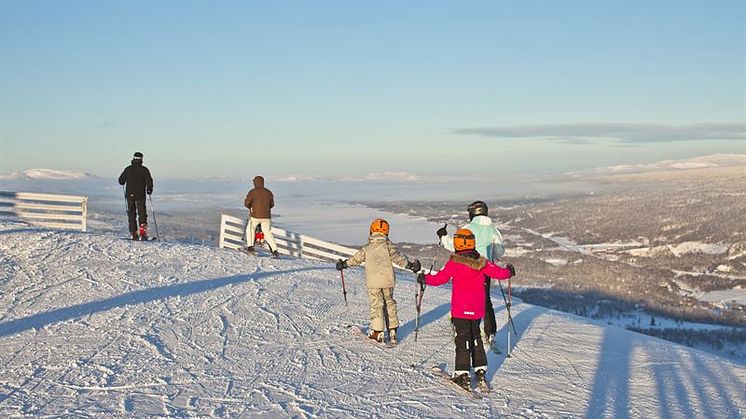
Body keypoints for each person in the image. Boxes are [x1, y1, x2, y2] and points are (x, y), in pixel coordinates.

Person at [417, 228, 514, 390]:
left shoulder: (454, 263)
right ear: (472, 242)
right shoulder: (482, 262)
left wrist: (424, 278)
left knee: (462, 338)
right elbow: (500, 273)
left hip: (460, 309)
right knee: (476, 335)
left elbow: (439, 279)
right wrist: (509, 271)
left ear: (457, 243)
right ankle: (480, 368)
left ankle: (462, 373)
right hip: (477, 309)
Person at [335, 219, 421, 344]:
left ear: (371, 231)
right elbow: (399, 260)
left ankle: (377, 332)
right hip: (388, 281)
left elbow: (355, 260)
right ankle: (392, 330)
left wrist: (344, 264)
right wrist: (411, 266)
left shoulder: (367, 248)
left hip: (373, 282)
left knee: (377, 305)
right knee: (389, 303)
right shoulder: (389, 247)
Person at [437, 200, 505, 347]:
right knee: (485, 300)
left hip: (464, 266)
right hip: (484, 268)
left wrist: (443, 237)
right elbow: (500, 252)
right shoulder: (493, 230)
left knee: (462, 296)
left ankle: (461, 325)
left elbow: (453, 245)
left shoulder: (468, 228)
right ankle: (490, 332)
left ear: (473, 213)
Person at [118, 152, 153, 240]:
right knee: (142, 213)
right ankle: (143, 233)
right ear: (141, 159)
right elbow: (149, 181)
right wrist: (149, 189)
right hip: (140, 195)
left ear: (133, 159)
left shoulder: (128, 169)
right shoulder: (144, 170)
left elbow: (121, 181)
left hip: (129, 195)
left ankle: (133, 233)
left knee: (131, 213)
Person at [244, 175, 279, 258]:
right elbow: (272, 204)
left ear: (255, 182)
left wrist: (250, 207)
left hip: (255, 216)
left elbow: (246, 203)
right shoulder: (268, 192)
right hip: (267, 217)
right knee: (268, 233)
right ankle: (275, 250)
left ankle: (250, 248)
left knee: (250, 229)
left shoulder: (252, 192)